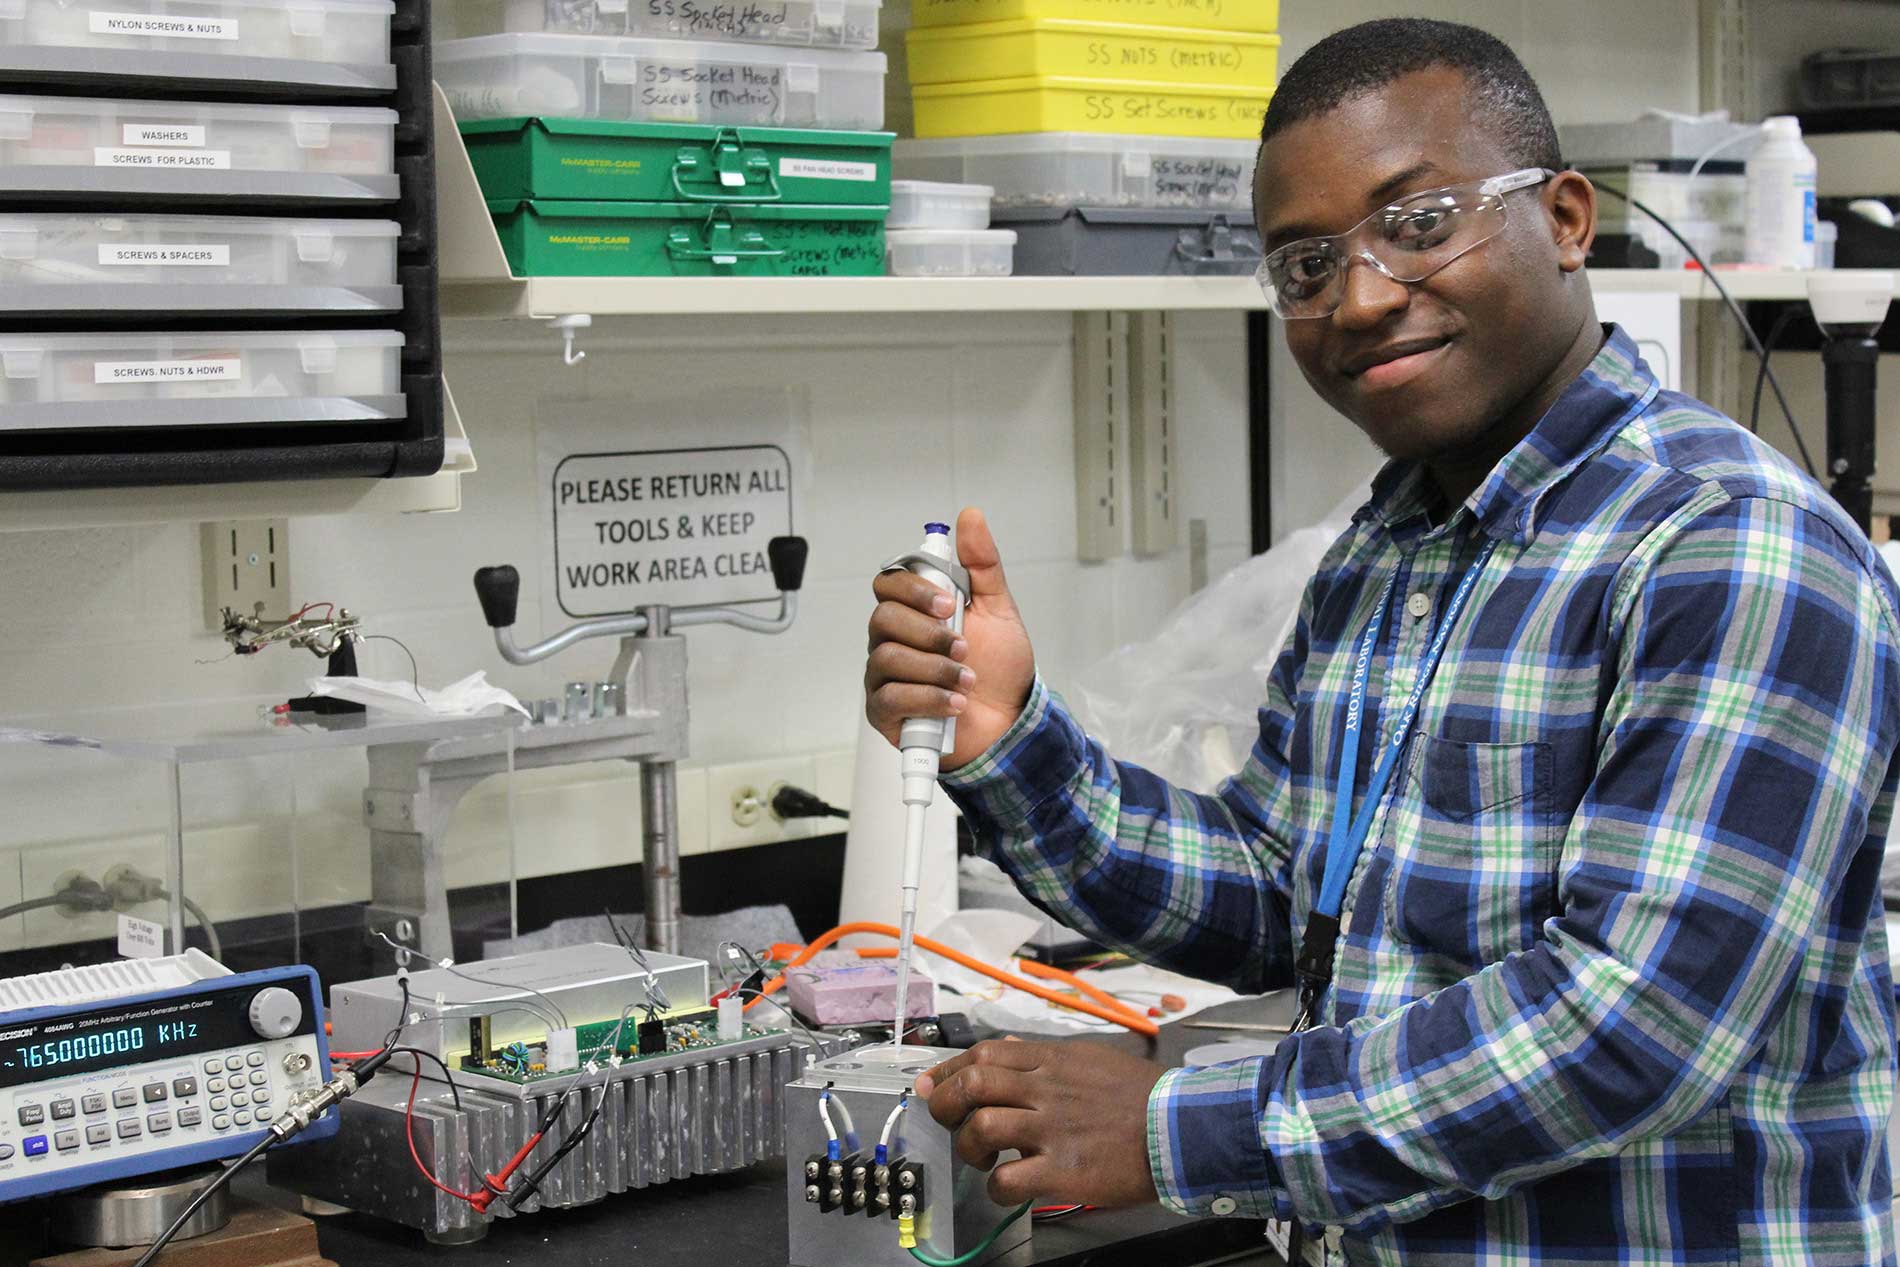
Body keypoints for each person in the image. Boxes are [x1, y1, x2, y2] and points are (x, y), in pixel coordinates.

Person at [863, 18, 1900, 1266]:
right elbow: (1287, 900)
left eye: (1418, 224)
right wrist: (1012, 746)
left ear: (1566, 219)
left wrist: (1172, 1126)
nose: (1356, 297)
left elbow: (1634, 1026)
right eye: (1304, 264)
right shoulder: (1387, 551)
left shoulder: (1728, 546)